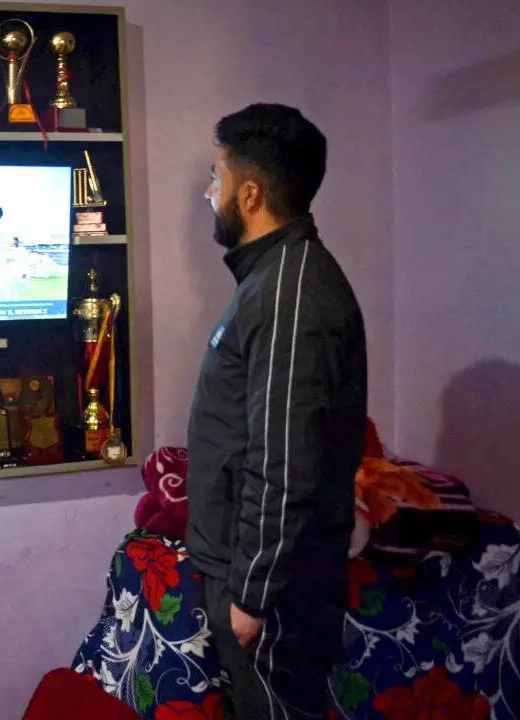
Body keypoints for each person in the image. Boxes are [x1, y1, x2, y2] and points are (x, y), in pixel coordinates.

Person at [185, 103, 367, 719]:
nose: (209, 193)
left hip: (274, 590)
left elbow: (284, 457)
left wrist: (251, 596)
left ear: (251, 194)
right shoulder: (271, 280)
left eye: (216, 177)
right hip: (248, 570)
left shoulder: (290, 290)